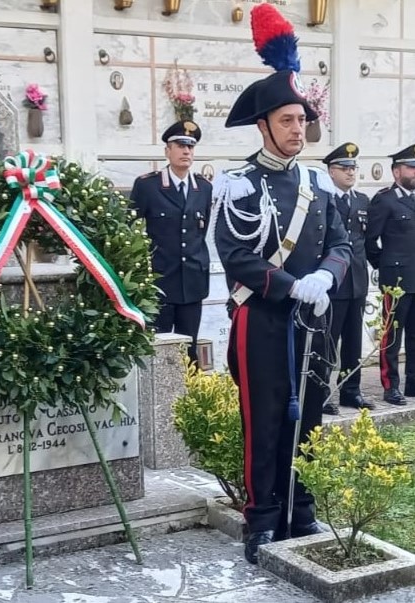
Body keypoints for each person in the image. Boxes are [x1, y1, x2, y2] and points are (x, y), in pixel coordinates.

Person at [212, 3, 351, 564]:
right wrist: (292, 284)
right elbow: (235, 256)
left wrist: (325, 276)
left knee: (311, 413)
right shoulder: (239, 184)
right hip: (264, 318)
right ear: (264, 125)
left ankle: (301, 508)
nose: (299, 129)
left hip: (314, 317)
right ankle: (263, 518)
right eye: (288, 121)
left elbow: (343, 243)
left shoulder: (319, 183)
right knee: (265, 419)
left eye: (302, 120)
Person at [129, 120, 212, 364]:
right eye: (180, 146)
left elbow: (201, 231)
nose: (186, 151)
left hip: (193, 283)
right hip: (160, 282)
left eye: (190, 147)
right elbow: (130, 228)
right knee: (160, 351)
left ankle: (189, 389)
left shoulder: (203, 188)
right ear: (167, 151)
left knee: (190, 351)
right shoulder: (148, 186)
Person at [321, 143, 372, 415]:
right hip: (333, 283)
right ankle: (321, 393)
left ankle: (351, 391)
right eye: (344, 168)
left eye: (353, 168)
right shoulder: (323, 199)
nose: (351, 172)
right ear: (331, 171)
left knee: (353, 342)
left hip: (357, 282)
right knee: (327, 342)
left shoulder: (362, 200)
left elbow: (367, 241)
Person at [366, 143, 415, 405]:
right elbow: (370, 241)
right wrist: (384, 266)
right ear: (397, 172)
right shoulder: (385, 200)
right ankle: (390, 386)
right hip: (395, 281)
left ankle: (413, 384)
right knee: (392, 336)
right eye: (411, 167)